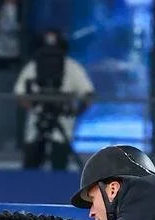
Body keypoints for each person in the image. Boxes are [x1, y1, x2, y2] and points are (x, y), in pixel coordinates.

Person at [13, 29, 94, 172]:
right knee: (32, 161)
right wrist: (36, 107)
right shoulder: (33, 67)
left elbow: (88, 94)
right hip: (38, 119)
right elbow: (20, 94)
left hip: (62, 118)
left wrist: (74, 111)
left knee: (59, 160)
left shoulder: (72, 67)